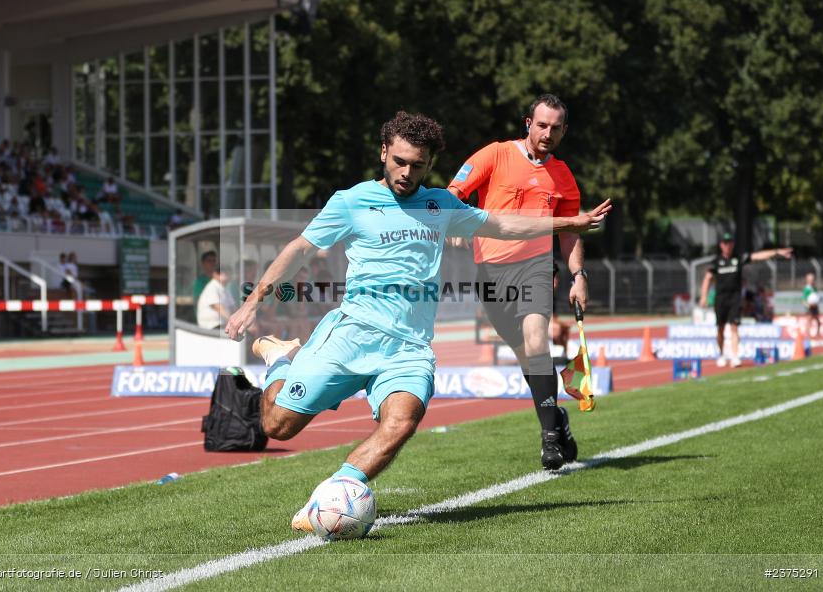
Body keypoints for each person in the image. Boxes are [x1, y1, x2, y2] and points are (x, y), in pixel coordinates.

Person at [224, 111, 611, 532]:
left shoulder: (440, 205)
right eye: (400, 161)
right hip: (351, 334)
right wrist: (254, 302)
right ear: (384, 152)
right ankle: (281, 359)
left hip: (408, 348)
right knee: (277, 427)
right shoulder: (351, 201)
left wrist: (567, 223)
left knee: (402, 421)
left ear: (430, 165)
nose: (407, 173)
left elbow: (502, 223)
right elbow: (299, 249)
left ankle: (335, 494)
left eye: (418, 165)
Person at [446, 93, 590, 470]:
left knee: (536, 340)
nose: (548, 133)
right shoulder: (494, 154)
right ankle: (557, 417)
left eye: (556, 128)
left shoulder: (563, 176)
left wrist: (578, 275)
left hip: (537, 267)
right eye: (541, 125)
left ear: (564, 131)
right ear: (528, 123)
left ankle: (549, 440)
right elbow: (452, 193)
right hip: (490, 273)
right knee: (527, 357)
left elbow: (570, 232)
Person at [699, 232, 792, 368]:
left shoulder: (738, 258)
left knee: (734, 327)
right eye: (725, 243)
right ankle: (721, 354)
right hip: (720, 299)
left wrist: (777, 252)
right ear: (721, 245)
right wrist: (703, 296)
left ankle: (735, 356)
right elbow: (707, 278)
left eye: (730, 243)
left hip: (735, 298)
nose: (727, 246)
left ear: (733, 244)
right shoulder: (716, 262)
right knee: (720, 328)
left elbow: (757, 256)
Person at [196, 265, 236, 329]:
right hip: (210, 326)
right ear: (215, 274)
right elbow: (218, 307)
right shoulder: (212, 287)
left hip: (222, 324)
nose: (228, 276)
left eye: (228, 273)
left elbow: (233, 308)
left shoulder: (225, 288)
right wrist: (234, 322)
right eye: (224, 273)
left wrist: (241, 319)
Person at [802, 272, 821, 338]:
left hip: (815, 307)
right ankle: (807, 336)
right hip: (809, 308)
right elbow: (803, 300)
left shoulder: (814, 288)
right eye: (810, 280)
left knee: (818, 321)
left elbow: (816, 298)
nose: (812, 281)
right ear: (807, 280)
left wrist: (817, 302)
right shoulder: (807, 289)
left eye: (813, 279)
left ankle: (818, 334)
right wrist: (808, 305)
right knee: (809, 321)